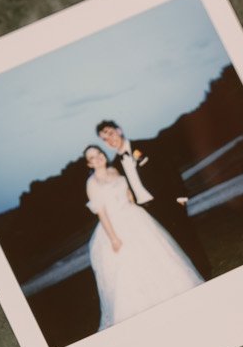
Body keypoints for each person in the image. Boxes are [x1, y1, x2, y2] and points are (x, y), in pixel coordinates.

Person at [84, 145, 204, 331]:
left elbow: (128, 193)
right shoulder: (92, 183)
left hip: (134, 217)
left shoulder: (114, 170)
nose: (98, 157)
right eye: (93, 157)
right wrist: (114, 238)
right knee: (130, 268)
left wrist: (133, 206)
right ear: (89, 163)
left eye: (99, 153)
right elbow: (102, 213)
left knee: (155, 257)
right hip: (115, 227)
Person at [96, 119, 211, 278]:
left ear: (119, 130)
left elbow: (169, 168)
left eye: (110, 133)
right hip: (145, 213)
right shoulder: (115, 166)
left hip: (167, 202)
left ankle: (206, 274)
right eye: (104, 139)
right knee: (168, 248)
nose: (109, 139)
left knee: (187, 238)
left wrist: (181, 196)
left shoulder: (147, 146)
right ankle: (189, 278)